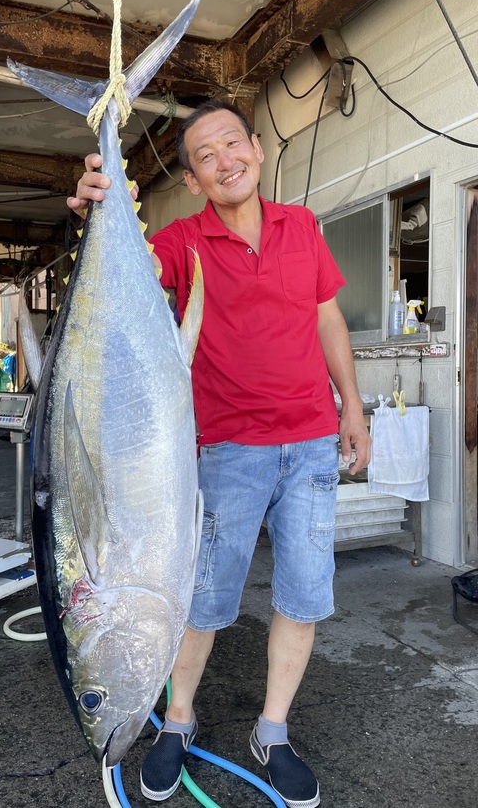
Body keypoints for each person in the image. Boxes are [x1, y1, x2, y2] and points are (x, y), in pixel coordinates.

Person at [68, 98, 371, 808]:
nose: (224, 160)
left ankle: (273, 730)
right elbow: (126, 266)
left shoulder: (302, 227)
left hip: (311, 444)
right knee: (201, 600)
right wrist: (94, 208)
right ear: (196, 179)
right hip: (225, 449)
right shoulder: (181, 240)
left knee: (302, 593)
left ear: (258, 150)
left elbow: (326, 314)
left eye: (232, 144)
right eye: (205, 156)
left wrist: (351, 405)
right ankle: (178, 721)